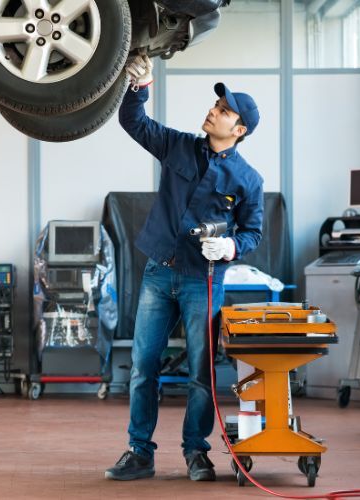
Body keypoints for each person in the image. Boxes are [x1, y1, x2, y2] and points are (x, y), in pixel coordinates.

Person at [105, 53, 264, 482]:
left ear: (240, 130)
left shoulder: (248, 181)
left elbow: (253, 233)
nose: (213, 111)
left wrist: (230, 246)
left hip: (204, 282)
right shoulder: (178, 145)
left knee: (201, 372)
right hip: (159, 272)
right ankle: (139, 452)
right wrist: (140, 86)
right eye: (216, 106)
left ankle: (197, 452)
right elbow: (133, 122)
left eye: (224, 111)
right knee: (143, 367)